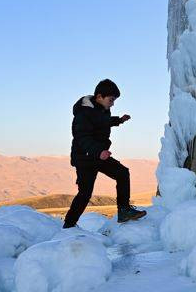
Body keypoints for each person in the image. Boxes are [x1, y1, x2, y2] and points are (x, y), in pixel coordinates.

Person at [63, 79, 147, 228]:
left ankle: (124, 211)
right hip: (85, 158)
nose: (113, 103)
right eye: (111, 99)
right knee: (85, 194)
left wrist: (118, 120)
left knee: (122, 173)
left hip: (99, 155)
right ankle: (68, 226)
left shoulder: (101, 110)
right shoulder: (83, 113)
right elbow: (82, 137)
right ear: (99, 96)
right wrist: (99, 151)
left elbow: (103, 121)